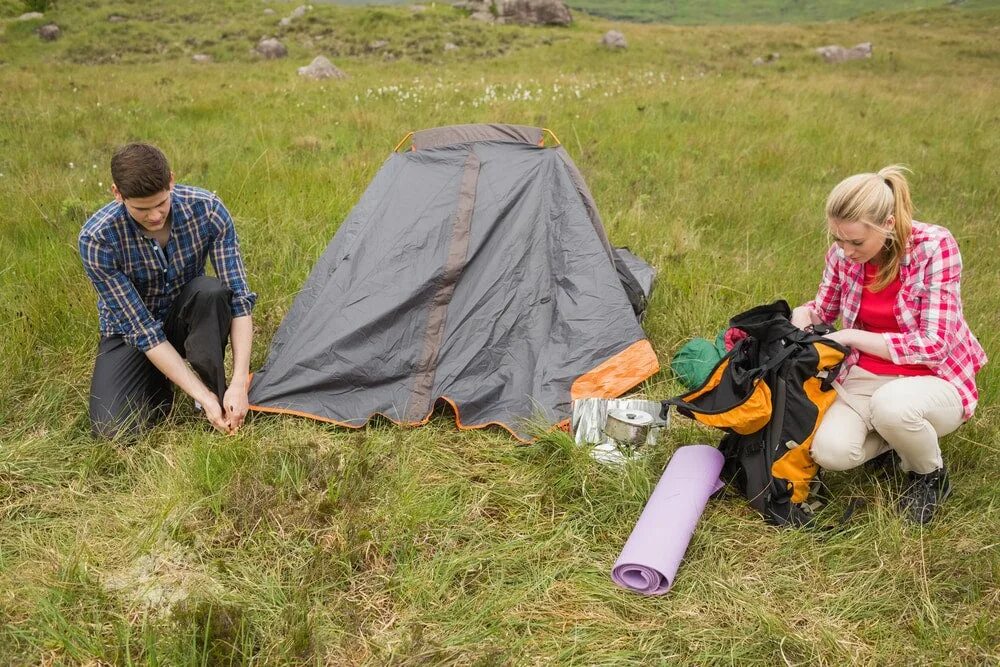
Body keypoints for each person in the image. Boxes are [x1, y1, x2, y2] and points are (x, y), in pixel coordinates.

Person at [791, 165, 986, 524]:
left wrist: (850, 336)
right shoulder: (843, 257)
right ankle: (898, 440)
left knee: (892, 406)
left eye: (856, 242)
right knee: (831, 452)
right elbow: (825, 309)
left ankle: (929, 475)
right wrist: (803, 315)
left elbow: (934, 345)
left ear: (889, 224)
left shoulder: (934, 247)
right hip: (866, 375)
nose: (846, 251)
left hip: (935, 379)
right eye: (838, 240)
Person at [79, 143, 257, 439]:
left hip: (186, 315)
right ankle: (170, 383)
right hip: (130, 335)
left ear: (171, 180)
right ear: (117, 194)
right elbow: (143, 330)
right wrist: (197, 394)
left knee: (211, 292)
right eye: (141, 209)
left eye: (161, 204)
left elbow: (239, 301)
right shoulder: (97, 239)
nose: (154, 216)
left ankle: (219, 390)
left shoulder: (208, 209)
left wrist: (240, 381)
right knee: (114, 431)